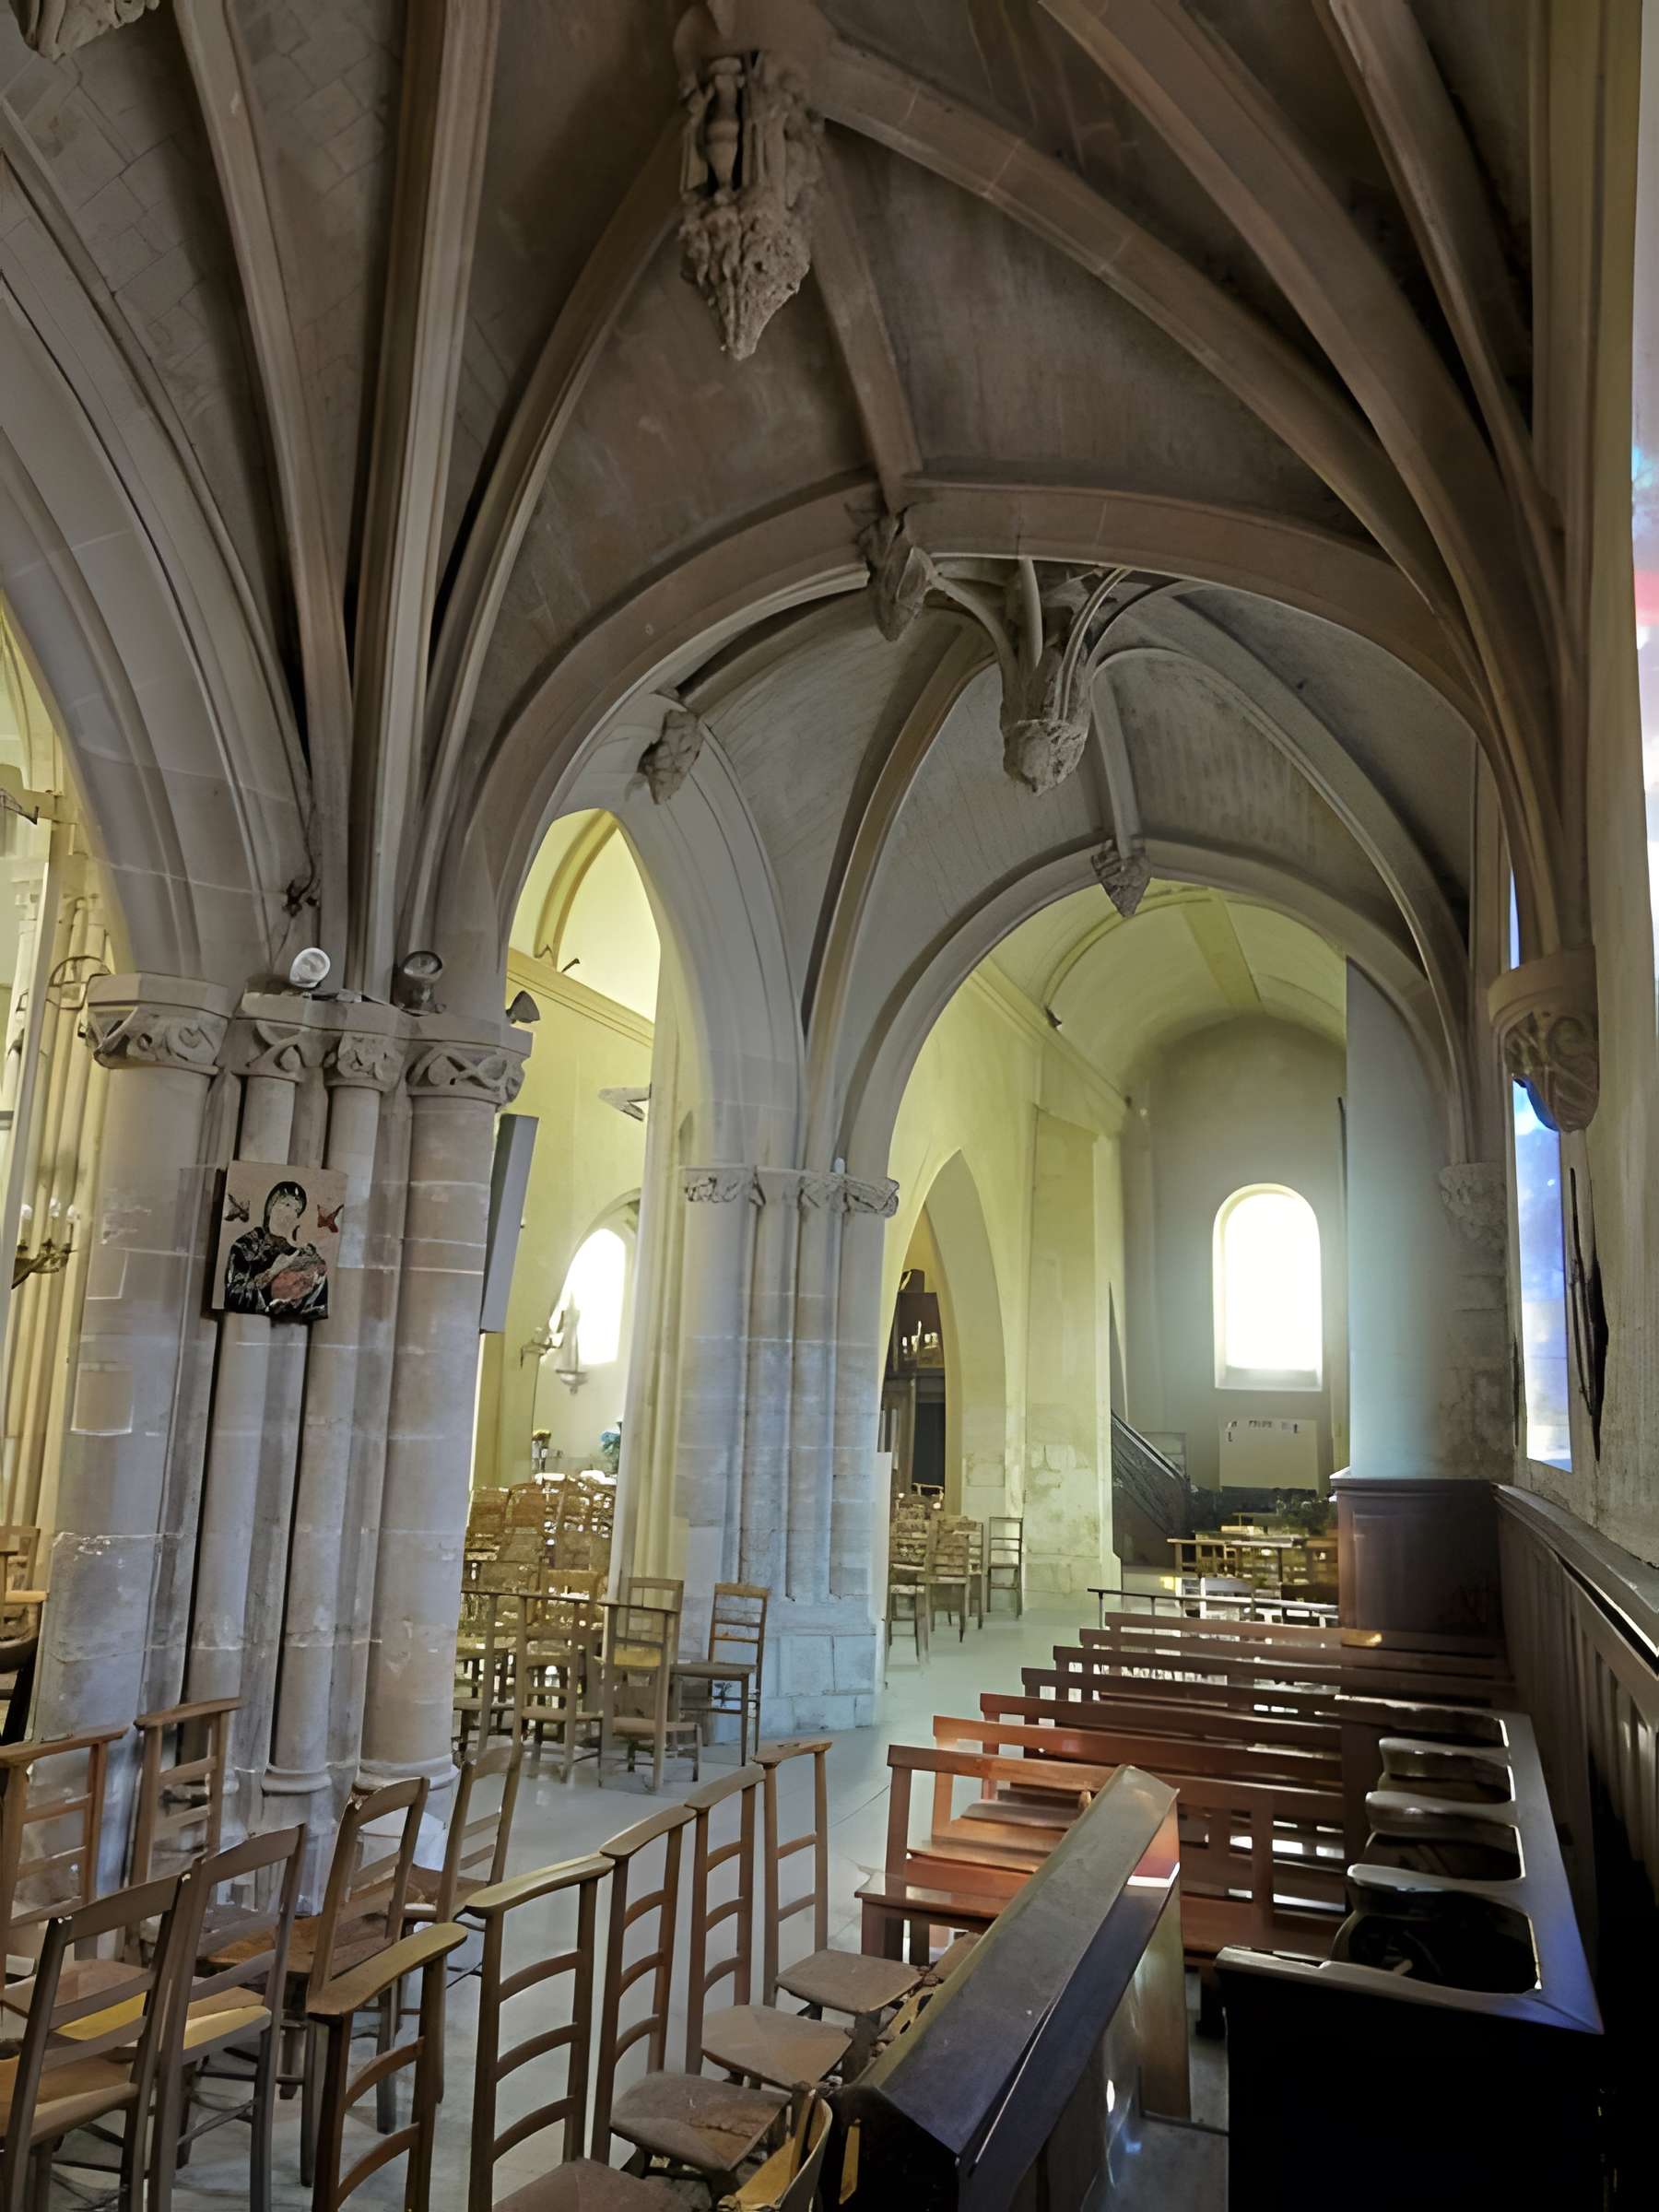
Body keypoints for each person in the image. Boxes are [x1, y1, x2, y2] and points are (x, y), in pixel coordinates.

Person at [223, 1179, 328, 1320]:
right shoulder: (246, 1245)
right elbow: (233, 1298)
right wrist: (273, 1271)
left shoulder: (305, 1253)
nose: (290, 1214)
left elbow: (318, 1307)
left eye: (296, 1210)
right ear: (270, 1208)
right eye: (286, 1204)